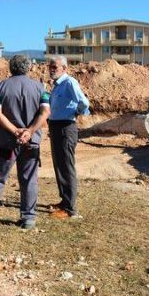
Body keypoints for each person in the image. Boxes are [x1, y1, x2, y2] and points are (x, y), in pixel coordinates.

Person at [0, 54, 50, 229]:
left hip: (6, 142)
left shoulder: (0, 87)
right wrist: (29, 131)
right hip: (31, 143)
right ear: (28, 68)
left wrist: (15, 131)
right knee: (29, 179)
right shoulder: (40, 88)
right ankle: (28, 218)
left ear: (10, 68)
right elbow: (45, 112)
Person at [47, 55, 90, 219]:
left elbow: (84, 103)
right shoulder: (57, 85)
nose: (52, 69)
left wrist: (76, 112)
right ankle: (64, 201)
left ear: (64, 68)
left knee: (66, 166)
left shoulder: (69, 82)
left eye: (55, 67)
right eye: (50, 67)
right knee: (59, 165)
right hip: (56, 127)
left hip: (66, 127)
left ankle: (70, 209)